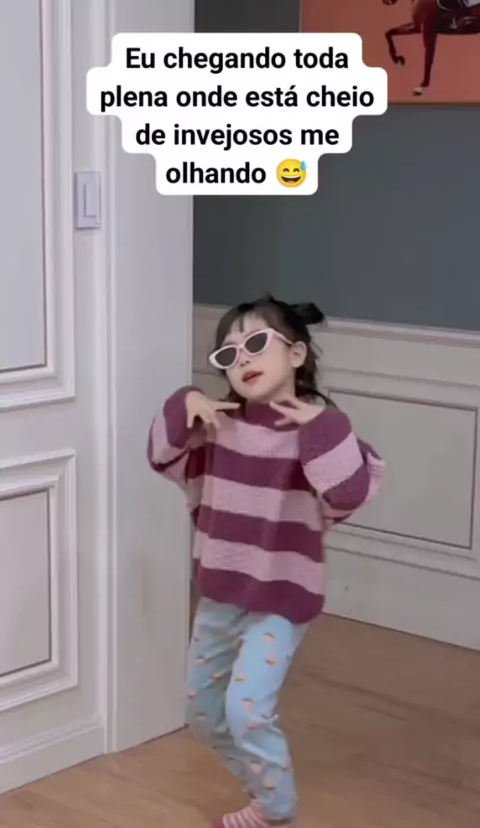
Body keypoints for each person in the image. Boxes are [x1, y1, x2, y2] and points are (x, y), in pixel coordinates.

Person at [148, 295, 386, 828]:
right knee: (202, 715)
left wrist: (326, 428)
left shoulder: (320, 435)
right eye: (228, 354)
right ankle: (263, 793)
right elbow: (161, 454)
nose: (243, 359)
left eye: (256, 343)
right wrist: (185, 400)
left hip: (283, 599)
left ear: (296, 354)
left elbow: (347, 494)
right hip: (221, 594)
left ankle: (277, 812)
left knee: (248, 710)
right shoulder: (218, 426)